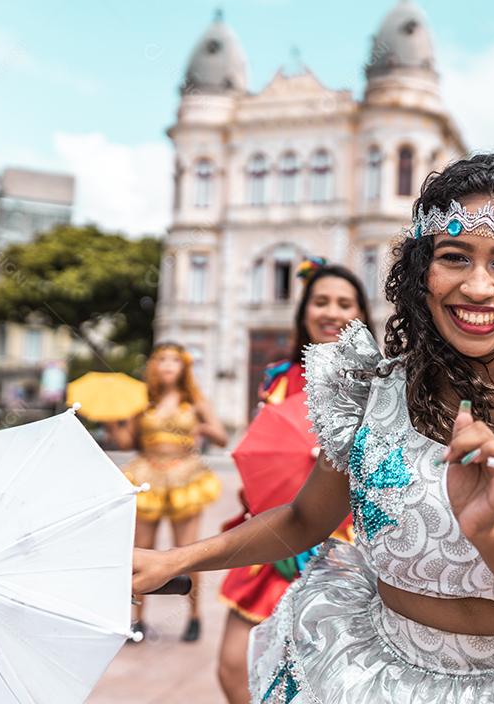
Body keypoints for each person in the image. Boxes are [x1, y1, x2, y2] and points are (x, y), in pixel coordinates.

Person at [133, 154, 494, 702]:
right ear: (422, 273)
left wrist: (489, 531)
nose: (477, 286)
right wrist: (174, 561)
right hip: (374, 674)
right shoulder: (369, 389)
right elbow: (304, 520)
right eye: (454, 258)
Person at [216, 260, 371, 704]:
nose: (331, 312)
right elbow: (264, 450)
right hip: (272, 534)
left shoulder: (376, 380)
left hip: (344, 546)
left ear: (361, 313)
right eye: (321, 301)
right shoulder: (278, 378)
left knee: (325, 677)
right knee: (234, 667)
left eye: (345, 303)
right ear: (304, 311)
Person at [108, 343, 227, 642]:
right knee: (140, 549)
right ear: (154, 366)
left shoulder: (194, 400)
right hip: (147, 475)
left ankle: (194, 616)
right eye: (162, 359)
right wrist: (111, 421)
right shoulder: (142, 401)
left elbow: (222, 437)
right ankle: (136, 619)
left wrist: (203, 429)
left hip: (185, 476)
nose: (168, 365)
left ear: (184, 366)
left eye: (175, 359)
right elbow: (126, 442)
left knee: (186, 552)